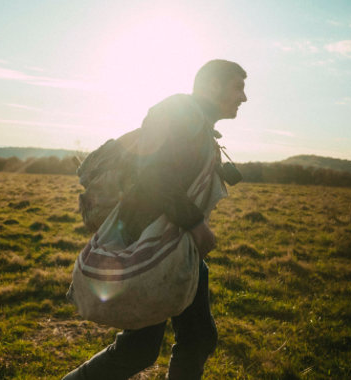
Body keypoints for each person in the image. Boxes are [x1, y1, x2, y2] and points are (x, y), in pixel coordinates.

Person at [63, 59, 247, 380]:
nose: (243, 98)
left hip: (174, 244)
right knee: (141, 348)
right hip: (153, 243)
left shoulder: (196, 123)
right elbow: (155, 174)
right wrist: (196, 224)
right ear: (213, 86)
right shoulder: (180, 114)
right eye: (237, 87)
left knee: (197, 337)